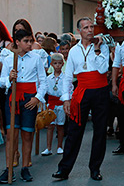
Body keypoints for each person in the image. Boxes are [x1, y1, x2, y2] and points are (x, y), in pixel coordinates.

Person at [52, 17, 110, 181]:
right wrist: (66, 99)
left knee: (100, 132)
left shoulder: (101, 46)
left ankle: (95, 169)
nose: (90, 30)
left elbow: (103, 68)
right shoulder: (74, 51)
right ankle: (64, 170)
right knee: (74, 131)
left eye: (91, 27)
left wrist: (98, 50)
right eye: (86, 27)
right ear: (79, 31)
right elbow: (68, 76)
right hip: (82, 91)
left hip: (100, 90)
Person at [0, 29, 47, 183]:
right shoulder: (8, 59)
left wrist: (37, 98)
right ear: (17, 42)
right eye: (26, 41)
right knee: (11, 136)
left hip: (29, 99)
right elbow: (2, 81)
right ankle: (8, 169)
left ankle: (25, 168)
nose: (29, 44)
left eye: (30, 41)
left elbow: (43, 81)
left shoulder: (36, 58)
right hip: (13, 98)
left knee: (27, 134)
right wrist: (9, 78)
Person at [41, 53, 72, 156]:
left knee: (60, 125)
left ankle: (59, 146)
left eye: (59, 63)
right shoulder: (48, 78)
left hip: (61, 103)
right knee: (50, 126)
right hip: (51, 104)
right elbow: (44, 90)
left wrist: (67, 100)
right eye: (55, 63)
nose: (57, 65)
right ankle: (48, 148)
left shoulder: (65, 78)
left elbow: (69, 90)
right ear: (51, 64)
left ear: (63, 64)